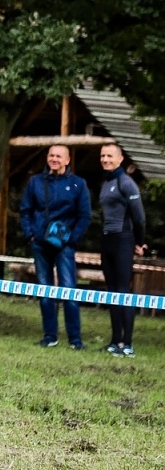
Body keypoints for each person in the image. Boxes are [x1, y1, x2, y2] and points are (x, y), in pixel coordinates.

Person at [19, 144, 92, 349]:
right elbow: (25, 210)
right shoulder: (35, 182)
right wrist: (30, 235)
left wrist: (72, 239)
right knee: (45, 291)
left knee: (69, 290)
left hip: (64, 245)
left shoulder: (78, 184)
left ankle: (75, 339)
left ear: (67, 160)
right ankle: (50, 336)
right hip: (40, 243)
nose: (54, 159)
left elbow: (84, 216)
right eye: (51, 155)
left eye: (59, 156)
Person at [98, 142, 147, 356]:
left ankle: (127, 344)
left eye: (110, 156)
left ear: (120, 159)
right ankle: (114, 340)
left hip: (123, 240)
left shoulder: (126, 183)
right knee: (112, 292)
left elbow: (139, 217)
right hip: (108, 240)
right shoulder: (106, 183)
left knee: (122, 291)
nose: (105, 159)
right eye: (103, 156)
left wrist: (139, 242)